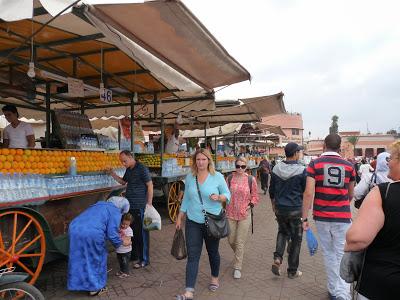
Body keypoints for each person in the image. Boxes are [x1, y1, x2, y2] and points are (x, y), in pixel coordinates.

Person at [302, 134, 356, 300]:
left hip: (321, 217)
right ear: (339, 147)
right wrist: (340, 204)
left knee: (329, 254)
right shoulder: (349, 166)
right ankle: (343, 294)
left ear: (324, 145)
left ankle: (333, 290)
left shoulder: (314, 164)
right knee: (342, 255)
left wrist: (304, 219)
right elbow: (351, 194)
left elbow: (309, 193)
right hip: (342, 217)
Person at [345, 141, 400, 300]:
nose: (388, 162)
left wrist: (346, 245)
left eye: (392, 158)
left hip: (380, 283)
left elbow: (357, 239)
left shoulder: (384, 193)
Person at [175, 149, 230, 300]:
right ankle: (189, 291)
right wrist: (180, 216)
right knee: (193, 256)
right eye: (198, 159)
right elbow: (186, 198)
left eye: (203, 159)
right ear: (195, 161)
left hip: (212, 221)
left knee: (213, 252)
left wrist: (219, 197)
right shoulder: (190, 177)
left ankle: (214, 277)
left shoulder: (217, 176)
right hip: (193, 222)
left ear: (208, 161)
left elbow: (228, 195)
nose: (200, 162)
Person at [68, 196, 130, 296]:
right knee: (97, 258)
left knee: (81, 257)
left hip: (74, 228)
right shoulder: (115, 210)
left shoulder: (99, 204)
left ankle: (80, 283)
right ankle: (95, 288)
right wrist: (122, 242)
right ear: (121, 208)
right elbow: (112, 234)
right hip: (91, 233)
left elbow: (98, 221)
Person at [108, 150, 153, 268]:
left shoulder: (142, 168)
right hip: (129, 205)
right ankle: (134, 255)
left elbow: (150, 185)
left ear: (130, 157)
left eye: (125, 161)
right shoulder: (129, 169)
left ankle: (144, 259)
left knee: (142, 233)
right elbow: (123, 182)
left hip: (140, 206)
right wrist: (112, 174)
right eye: (122, 162)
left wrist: (149, 203)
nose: (123, 163)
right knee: (132, 232)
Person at [269, 142, 306, 278]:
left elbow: (271, 190)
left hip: (280, 208)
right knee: (296, 239)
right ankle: (292, 270)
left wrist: (273, 204)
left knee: (282, 232)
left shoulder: (276, 169)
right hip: (295, 208)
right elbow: (305, 191)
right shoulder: (302, 170)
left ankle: (278, 258)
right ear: (295, 153)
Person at [226, 157, 259, 279]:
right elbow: (225, 193)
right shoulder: (229, 178)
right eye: (238, 166)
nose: (240, 169)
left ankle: (237, 266)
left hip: (245, 214)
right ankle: (239, 255)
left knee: (239, 242)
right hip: (230, 213)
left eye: (243, 166)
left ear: (246, 167)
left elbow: (255, 196)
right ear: (235, 166)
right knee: (230, 240)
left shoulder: (251, 179)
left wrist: (250, 205)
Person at [115, 213, 134, 278]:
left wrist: (123, 242)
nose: (124, 226)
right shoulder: (119, 228)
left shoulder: (129, 230)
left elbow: (128, 241)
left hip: (126, 251)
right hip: (119, 249)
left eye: (127, 224)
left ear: (130, 223)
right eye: (123, 223)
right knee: (120, 261)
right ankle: (122, 270)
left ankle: (126, 272)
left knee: (125, 262)